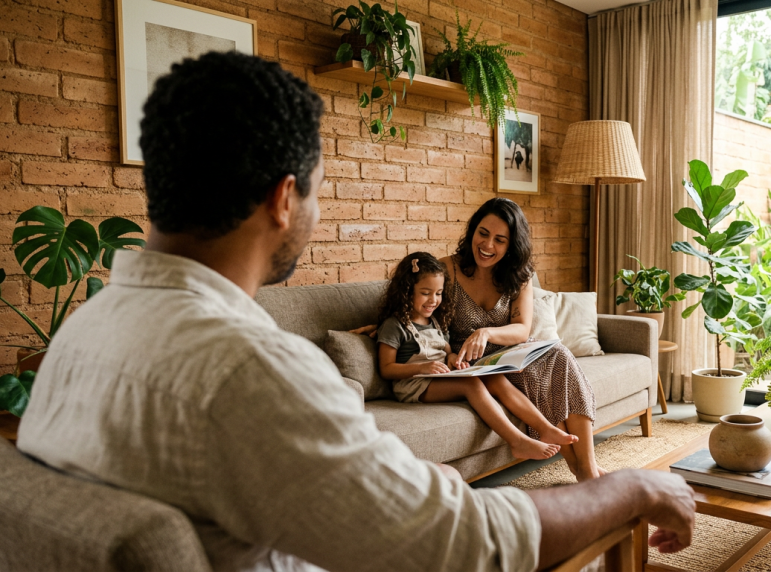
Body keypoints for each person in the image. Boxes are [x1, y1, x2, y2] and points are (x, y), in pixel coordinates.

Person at [16, 51, 696, 572]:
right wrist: (631, 489)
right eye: (317, 191)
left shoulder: (80, 333)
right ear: (285, 199)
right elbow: (464, 544)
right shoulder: (249, 370)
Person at [443, 198, 607, 482]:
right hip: (472, 366)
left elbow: (521, 328)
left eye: (500, 240)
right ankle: (584, 473)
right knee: (538, 378)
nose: (488, 245)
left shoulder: (519, 275)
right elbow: (425, 317)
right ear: (472, 231)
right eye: (483, 233)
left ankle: (586, 468)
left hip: (510, 355)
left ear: (511, 245)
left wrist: (486, 332)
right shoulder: (447, 270)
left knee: (559, 356)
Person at [376, 252, 577, 461]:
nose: (433, 300)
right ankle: (517, 442)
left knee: (495, 378)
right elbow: (386, 368)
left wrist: (454, 359)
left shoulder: (435, 322)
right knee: (471, 385)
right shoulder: (395, 325)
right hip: (413, 384)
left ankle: (545, 428)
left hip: (439, 376)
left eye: (438, 293)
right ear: (407, 291)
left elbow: (446, 351)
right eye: (426, 293)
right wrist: (421, 368)